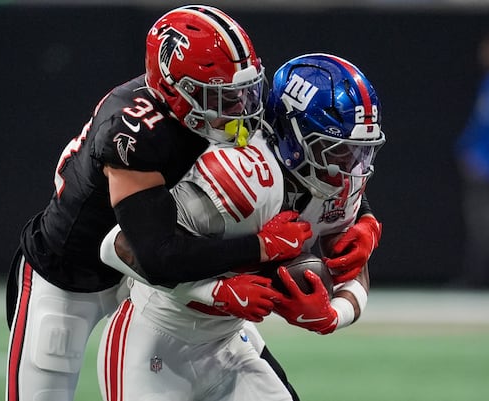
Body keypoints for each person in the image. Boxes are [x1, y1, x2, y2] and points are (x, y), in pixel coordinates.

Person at [5, 5, 312, 401]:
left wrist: (362, 220)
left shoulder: (221, 110)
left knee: (227, 341)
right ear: (174, 90)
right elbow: (155, 254)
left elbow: (304, 161)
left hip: (148, 280)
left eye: (243, 92)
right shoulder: (135, 132)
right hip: (69, 270)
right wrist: (261, 246)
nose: (239, 108)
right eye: (220, 96)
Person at [98, 53, 385, 401]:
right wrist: (218, 290)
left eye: (360, 152)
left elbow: (353, 270)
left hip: (229, 341)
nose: (351, 168)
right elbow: (121, 247)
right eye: (337, 151)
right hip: (154, 338)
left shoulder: (338, 183)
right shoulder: (239, 176)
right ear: (294, 136)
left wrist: (332, 315)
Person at [453, 33, 489, 289]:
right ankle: (476, 278)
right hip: (477, 165)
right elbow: (478, 124)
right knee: (478, 225)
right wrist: (466, 149)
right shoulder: (485, 82)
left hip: (483, 164)